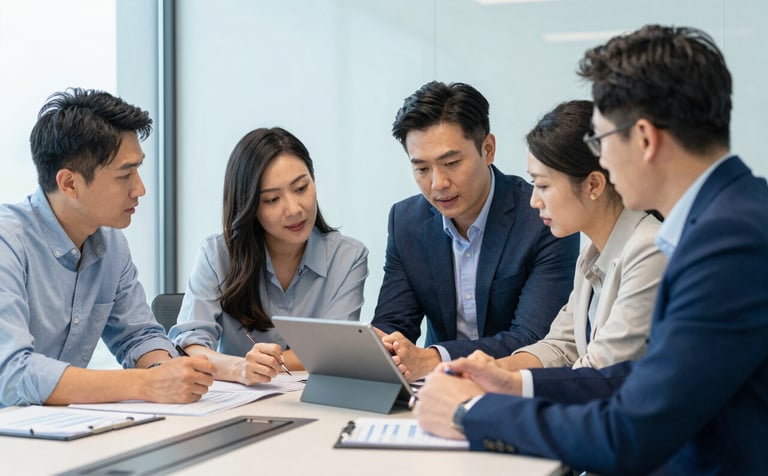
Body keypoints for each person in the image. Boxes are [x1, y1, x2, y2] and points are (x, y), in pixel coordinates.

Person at [415, 25, 768, 475]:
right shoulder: (728, 216)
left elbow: (629, 433)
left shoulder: (728, 242)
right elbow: (642, 379)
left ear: (643, 138)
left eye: (600, 141)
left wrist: (469, 414)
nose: (600, 161)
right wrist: (513, 383)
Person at [0, 88, 215, 407]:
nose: (139, 189)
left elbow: (139, 336)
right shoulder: (8, 242)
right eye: (125, 175)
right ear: (69, 183)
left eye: (138, 170)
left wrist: (166, 371)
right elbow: (12, 375)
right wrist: (147, 384)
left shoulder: (110, 245)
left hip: (58, 432)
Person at [371, 81, 580, 381]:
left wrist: (433, 358)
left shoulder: (543, 216)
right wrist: (390, 349)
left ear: (488, 149)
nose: (438, 183)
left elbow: (535, 337)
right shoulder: (406, 220)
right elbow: (391, 326)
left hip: (519, 388)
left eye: (451, 163)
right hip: (436, 390)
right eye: (421, 169)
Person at [472, 100, 666, 372]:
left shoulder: (650, 250)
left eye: (543, 185)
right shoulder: (591, 253)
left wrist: (507, 383)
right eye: (532, 184)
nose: (534, 201)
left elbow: (599, 370)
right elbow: (561, 346)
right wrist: (493, 370)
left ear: (593, 184)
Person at [170, 127, 368, 385]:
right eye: (272, 200)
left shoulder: (348, 257)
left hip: (315, 405)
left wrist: (265, 366)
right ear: (249, 206)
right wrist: (239, 368)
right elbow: (190, 345)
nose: (294, 209)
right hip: (236, 406)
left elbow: (335, 351)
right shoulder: (217, 254)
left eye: (301, 188)